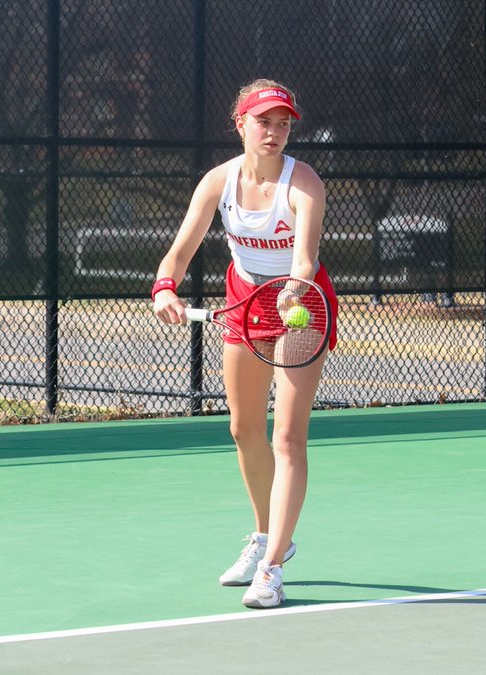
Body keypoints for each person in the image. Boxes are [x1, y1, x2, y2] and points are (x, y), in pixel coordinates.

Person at [151, 79, 338, 609]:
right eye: (265, 121)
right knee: (242, 429)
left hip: (301, 305)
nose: (275, 131)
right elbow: (179, 252)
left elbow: (304, 258)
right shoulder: (218, 182)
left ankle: (273, 568)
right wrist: (165, 287)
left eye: (284, 123)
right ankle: (264, 537)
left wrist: (294, 290)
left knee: (288, 440)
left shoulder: (304, 184)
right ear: (240, 124)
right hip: (245, 298)